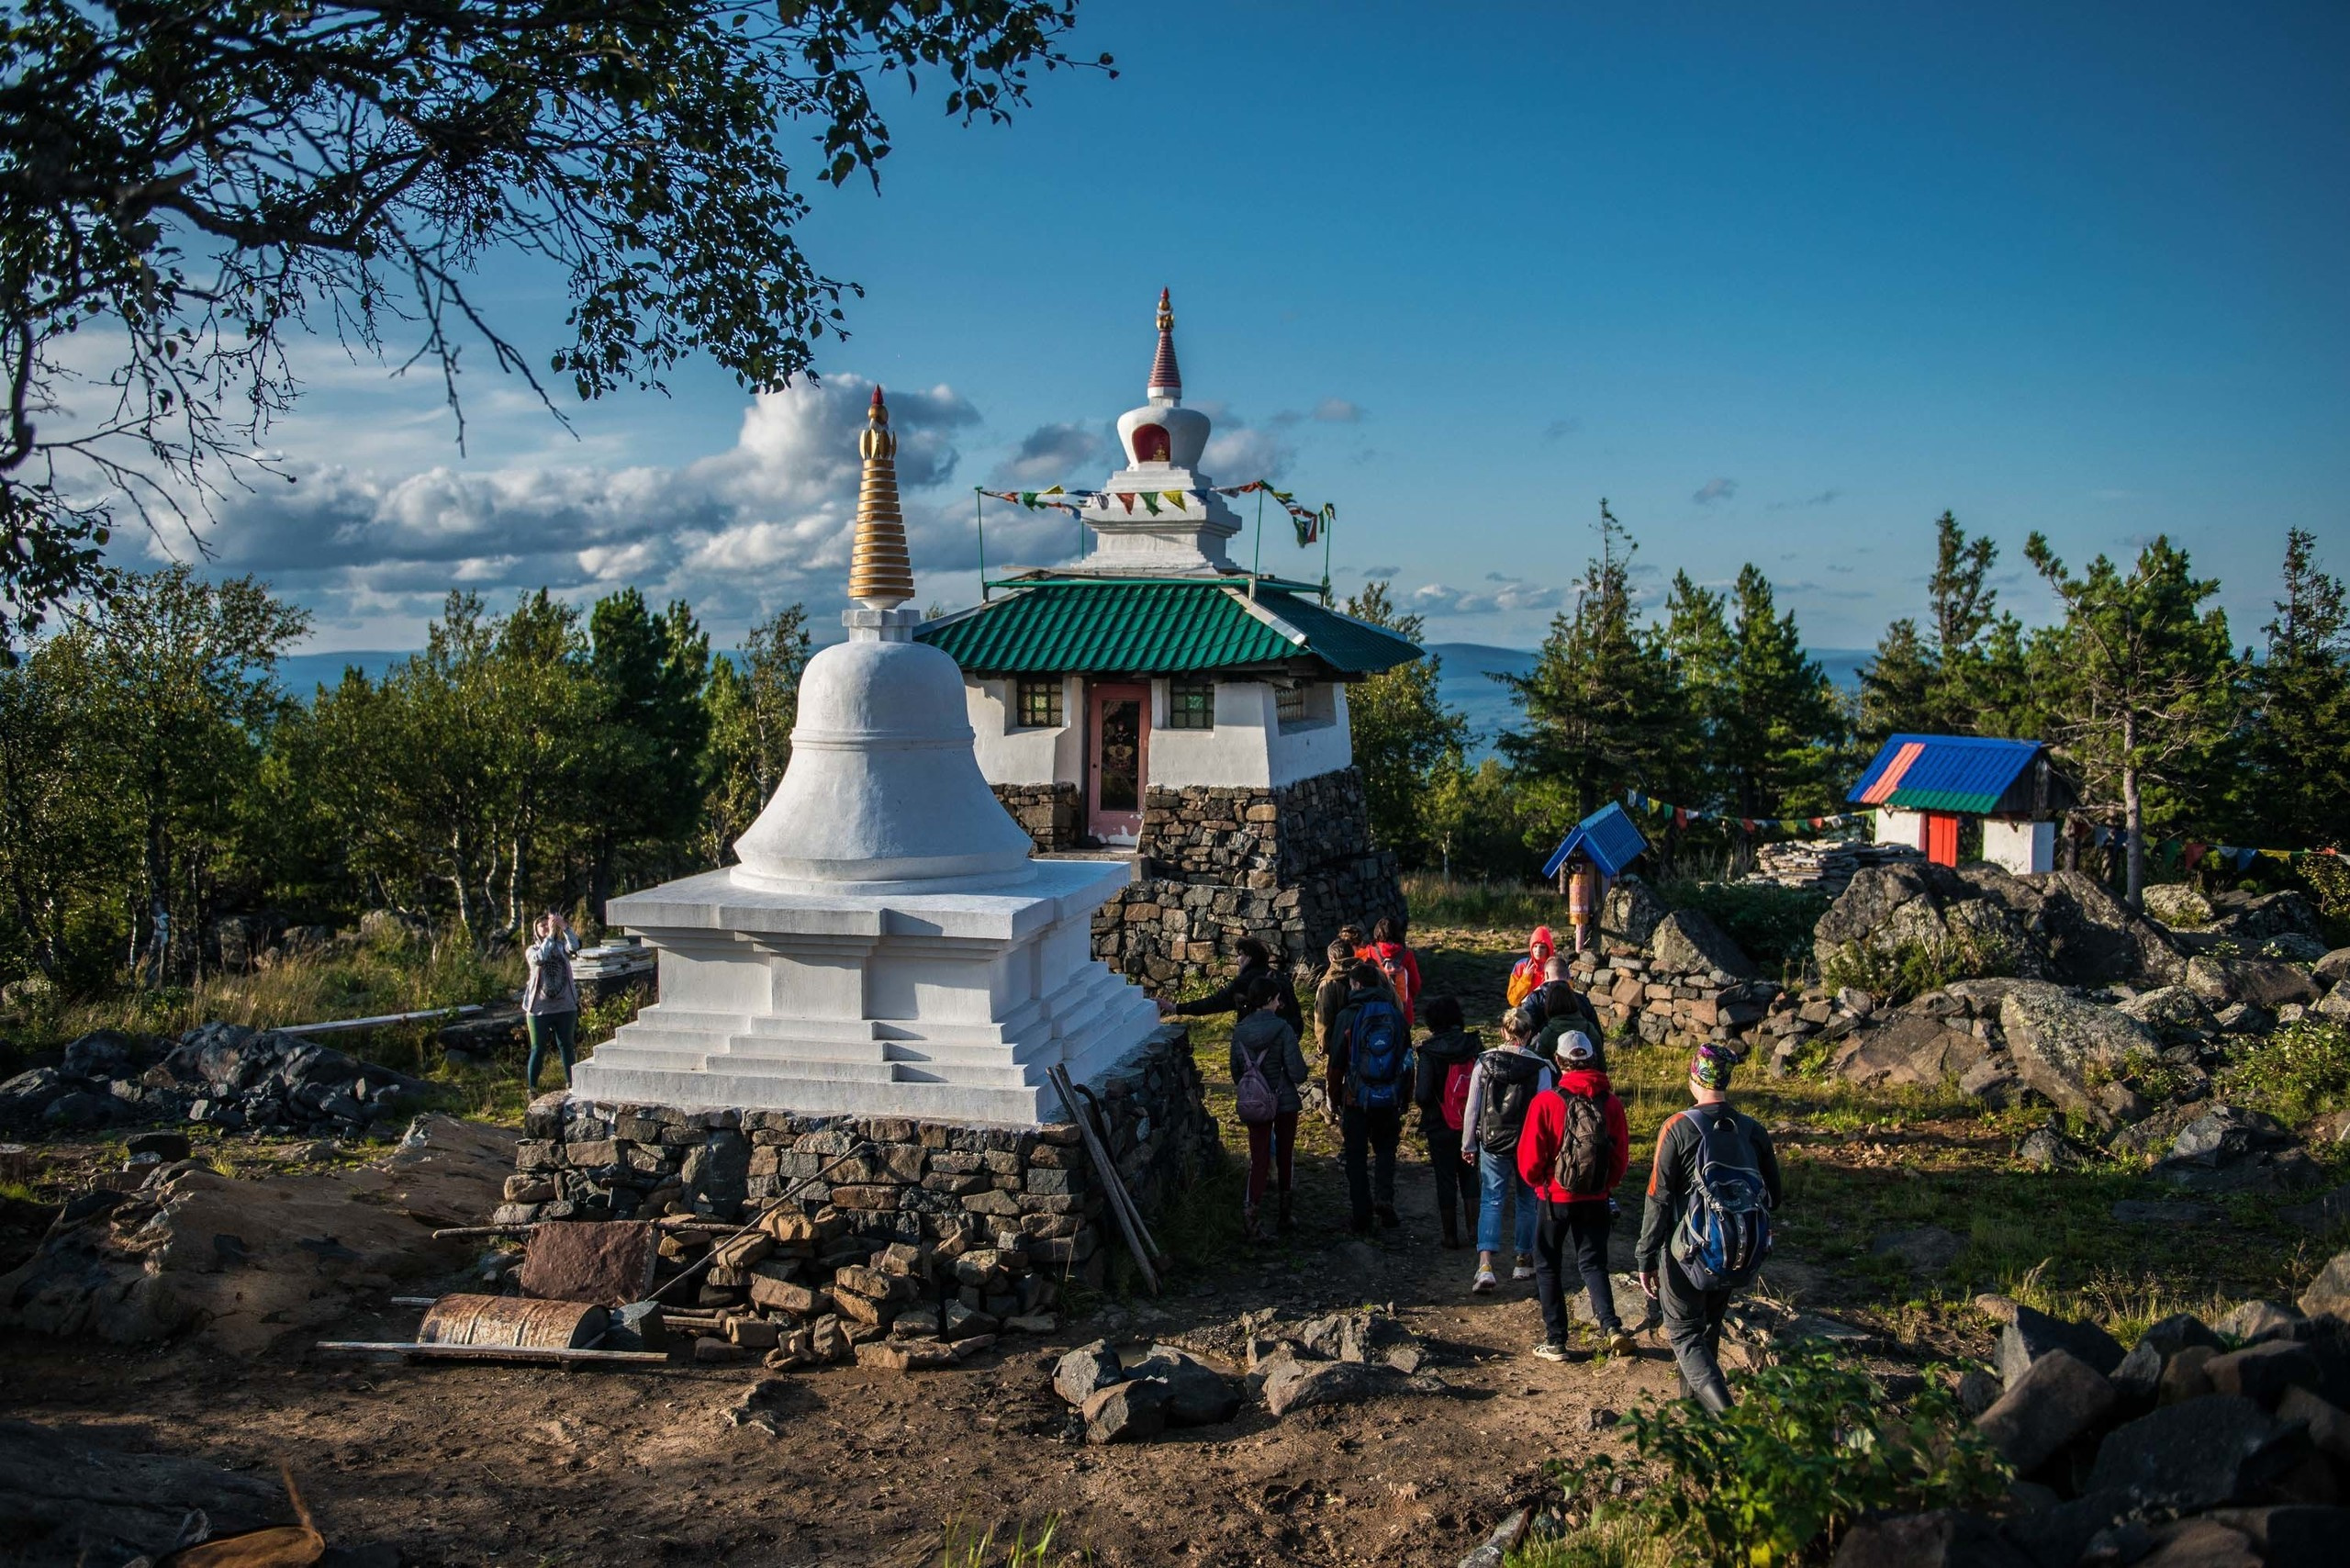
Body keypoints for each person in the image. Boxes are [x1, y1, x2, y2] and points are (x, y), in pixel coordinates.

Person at [1637, 1044, 1785, 1412]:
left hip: (1686, 1251)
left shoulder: (1678, 1127)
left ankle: (1727, 1419)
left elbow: (1658, 1197)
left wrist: (1645, 1257)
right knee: (1707, 1330)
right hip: (1735, 1248)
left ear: (1695, 1078)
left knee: (1685, 1334)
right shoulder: (1752, 1130)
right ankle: (1695, 1416)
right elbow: (1775, 1196)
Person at [1516, 1030, 1634, 1361]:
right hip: (1596, 1198)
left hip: (1554, 1198)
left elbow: (1529, 1159)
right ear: (1592, 1059)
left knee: (1548, 1264)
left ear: (1558, 1061)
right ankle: (1611, 1326)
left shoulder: (1547, 1101)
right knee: (1594, 1263)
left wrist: (1540, 1183)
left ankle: (1556, 1340)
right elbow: (1620, 1156)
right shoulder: (1611, 1103)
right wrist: (1607, 1185)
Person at [1458, 1004, 1553, 1293]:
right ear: (1530, 1034)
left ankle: (1485, 1264)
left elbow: (1472, 1107)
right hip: (1527, 1144)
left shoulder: (1484, 1062)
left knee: (1491, 1199)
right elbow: (1544, 1111)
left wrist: (1468, 1143)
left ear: (1502, 1031)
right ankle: (1523, 1259)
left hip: (1492, 1140)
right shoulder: (1541, 1068)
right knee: (1527, 1200)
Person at [1326, 959, 1412, 1234]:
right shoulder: (1395, 1014)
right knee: (1386, 1150)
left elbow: (1336, 1062)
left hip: (1356, 1097)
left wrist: (1333, 1097)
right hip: (1389, 1096)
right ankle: (1384, 1198)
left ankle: (1361, 1215)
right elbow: (1407, 1060)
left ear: (1356, 985)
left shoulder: (1347, 1016)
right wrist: (1405, 1097)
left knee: (1356, 1156)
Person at [1229, 974, 1310, 1239]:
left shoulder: (1239, 1031)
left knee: (1259, 1158)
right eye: (1277, 999)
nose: (1279, 1003)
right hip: (1284, 1100)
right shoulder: (1283, 1029)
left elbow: (1236, 1072)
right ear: (1269, 1000)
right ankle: (1285, 1214)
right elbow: (1297, 1072)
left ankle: (1251, 1214)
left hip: (1254, 1101)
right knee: (1285, 1155)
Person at [1412, 994, 1482, 1249]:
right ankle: (1475, 1231)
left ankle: (1450, 1236)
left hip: (1438, 1123)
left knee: (1445, 1178)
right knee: (1470, 1174)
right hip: (1472, 1122)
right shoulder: (1474, 1045)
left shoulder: (1429, 1051)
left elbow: (1422, 1094)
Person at [1163, 935, 1304, 1037]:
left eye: (1240, 954)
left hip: (1259, 1035)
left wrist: (1176, 1008)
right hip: (1290, 1032)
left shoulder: (1244, 982)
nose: (1237, 959)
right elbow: (1295, 1009)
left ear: (1250, 957)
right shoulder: (1279, 976)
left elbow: (1215, 1003)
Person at [523, 911, 582, 1090]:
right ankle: (532, 1088)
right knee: (538, 1048)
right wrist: (550, 936)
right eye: (542, 925)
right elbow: (540, 958)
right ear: (536, 930)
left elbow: (575, 946)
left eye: (548, 924)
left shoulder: (562, 946)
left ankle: (572, 1084)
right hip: (539, 1008)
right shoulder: (532, 950)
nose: (546, 927)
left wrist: (564, 927)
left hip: (565, 1006)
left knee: (567, 1045)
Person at [1528, 956, 1606, 1065]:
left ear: (1546, 975)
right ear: (1568, 975)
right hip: (1582, 1061)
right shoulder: (1582, 1000)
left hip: (1546, 1065)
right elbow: (1598, 1036)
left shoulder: (1535, 999)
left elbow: (1526, 1031)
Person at [1360, 914, 1423, 1027]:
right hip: (1403, 1013)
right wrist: (1406, 998)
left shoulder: (1369, 953)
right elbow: (1416, 985)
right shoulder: (1407, 955)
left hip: (1375, 1012)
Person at [1505, 925, 1556, 1009]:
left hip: (1550, 1011)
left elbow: (1567, 995)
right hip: (1526, 1011)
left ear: (1549, 948)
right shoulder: (1521, 966)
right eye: (1535, 946)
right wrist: (1525, 978)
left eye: (1542, 947)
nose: (1538, 950)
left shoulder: (1556, 966)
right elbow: (1513, 1000)